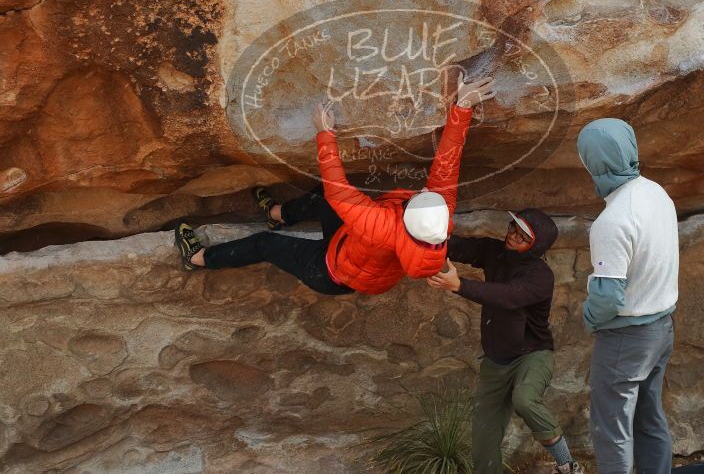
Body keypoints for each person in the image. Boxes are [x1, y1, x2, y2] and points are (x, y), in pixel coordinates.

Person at [174, 74, 496, 295]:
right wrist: (462, 108)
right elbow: (447, 164)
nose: (425, 190)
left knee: (265, 246)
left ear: (409, 214)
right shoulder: (438, 219)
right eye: (428, 195)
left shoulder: (382, 225)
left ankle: (199, 258)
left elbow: (337, 189)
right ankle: (277, 215)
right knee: (321, 200)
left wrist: (324, 133)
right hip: (352, 250)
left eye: (419, 197)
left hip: (329, 271)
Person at [427, 210, 584, 474]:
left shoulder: (540, 276)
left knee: (525, 398)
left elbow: (508, 296)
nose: (513, 237)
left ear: (535, 246)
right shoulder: (494, 251)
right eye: (513, 229)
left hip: (532, 355)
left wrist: (459, 285)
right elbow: (459, 247)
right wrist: (429, 237)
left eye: (523, 237)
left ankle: (566, 464)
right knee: (483, 441)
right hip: (495, 361)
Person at [577, 118, 678, 473]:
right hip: (663, 328)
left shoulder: (613, 219)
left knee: (612, 429)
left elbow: (608, 299)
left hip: (627, 336)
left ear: (590, 162)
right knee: (649, 420)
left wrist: (587, 316)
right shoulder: (656, 192)